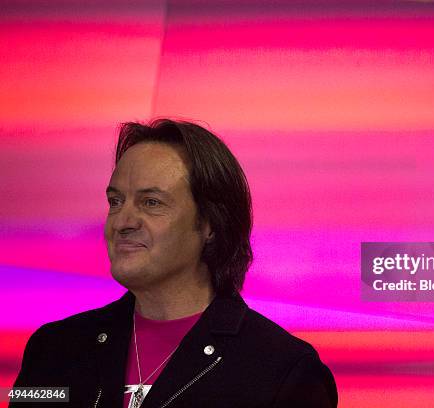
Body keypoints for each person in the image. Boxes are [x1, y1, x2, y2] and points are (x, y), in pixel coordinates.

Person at [11, 119, 338, 408]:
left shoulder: (283, 372)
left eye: (151, 203)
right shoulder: (52, 350)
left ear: (210, 223)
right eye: (115, 201)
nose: (122, 221)